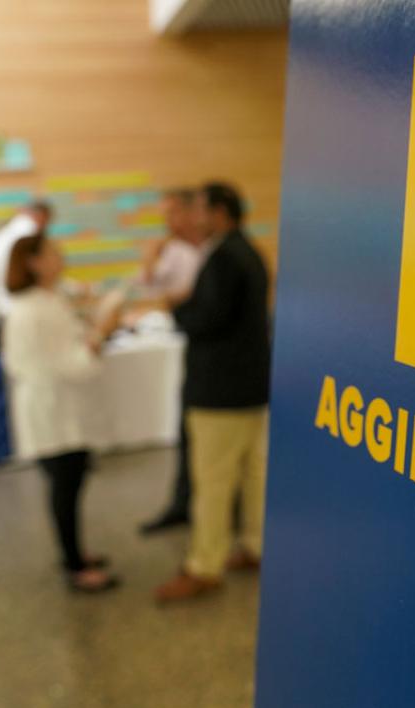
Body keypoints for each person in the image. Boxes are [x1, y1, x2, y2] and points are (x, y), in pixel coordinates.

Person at [154, 181, 271, 603]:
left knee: (215, 481)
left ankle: (204, 565)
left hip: (221, 391)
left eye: (200, 210)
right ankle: (257, 545)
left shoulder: (223, 257)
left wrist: (177, 306)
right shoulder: (247, 251)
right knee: (253, 474)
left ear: (220, 212)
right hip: (251, 387)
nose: (192, 219)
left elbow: (207, 320)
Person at [1, 233, 124, 593]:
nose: (61, 257)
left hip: (56, 403)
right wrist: (101, 332)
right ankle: (74, 565)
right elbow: (73, 364)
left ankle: (74, 552)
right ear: (34, 262)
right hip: (53, 406)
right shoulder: (37, 309)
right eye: (53, 253)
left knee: (70, 481)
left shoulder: (43, 302)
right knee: (65, 485)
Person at [138, 187, 206, 535]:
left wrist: (183, 298)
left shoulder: (216, 251)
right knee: (190, 430)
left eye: (173, 213)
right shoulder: (175, 251)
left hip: (216, 356)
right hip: (195, 350)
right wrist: (151, 259)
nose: (169, 222)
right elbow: (154, 292)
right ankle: (183, 502)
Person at [0, 200, 52, 317]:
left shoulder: (0, 236)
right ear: (41, 216)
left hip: (4, 306)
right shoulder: (28, 236)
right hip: (24, 307)